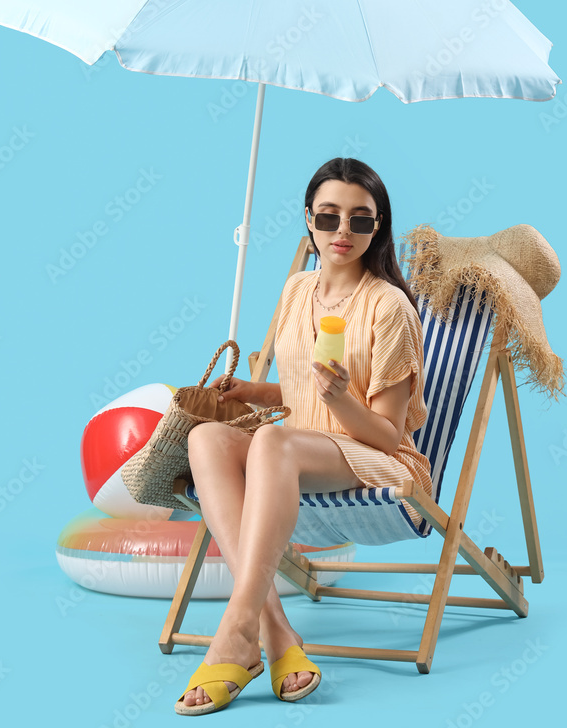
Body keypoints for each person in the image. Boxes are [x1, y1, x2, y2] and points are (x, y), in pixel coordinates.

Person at [175, 157, 432, 715]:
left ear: (379, 227)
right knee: (208, 441)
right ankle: (276, 635)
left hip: (376, 460)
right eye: (330, 216)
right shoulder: (297, 290)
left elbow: (389, 435)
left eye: (361, 220)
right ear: (308, 222)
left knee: (271, 443)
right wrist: (251, 390)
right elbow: (297, 394)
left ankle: (237, 630)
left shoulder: (390, 308)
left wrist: (340, 398)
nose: (343, 231)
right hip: (300, 448)